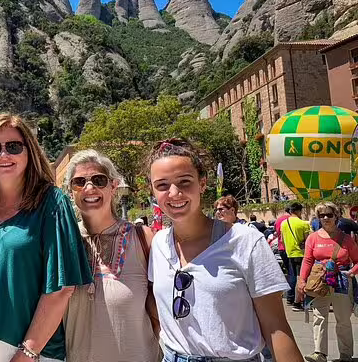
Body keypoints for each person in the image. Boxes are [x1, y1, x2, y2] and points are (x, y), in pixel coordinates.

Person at [146, 138, 302, 361]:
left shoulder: (245, 241)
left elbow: (276, 327)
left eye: (184, 181)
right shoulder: (159, 244)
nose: (174, 193)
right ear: (152, 191)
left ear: (202, 183)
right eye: (162, 185)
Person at [0, 113, 92, 362]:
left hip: (34, 353)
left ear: (29, 151)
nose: (4, 155)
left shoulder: (52, 203)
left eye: (13, 146)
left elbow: (61, 290)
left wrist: (27, 353)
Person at [62, 149, 160, 362]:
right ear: (71, 191)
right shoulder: (61, 243)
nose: (90, 188)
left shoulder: (143, 239)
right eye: (80, 182)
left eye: (99, 180)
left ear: (113, 186)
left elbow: (160, 315)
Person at [297, 202, 358, 362]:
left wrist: (351, 273)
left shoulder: (345, 239)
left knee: (343, 319)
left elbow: (357, 260)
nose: (325, 218)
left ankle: (345, 355)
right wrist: (302, 280)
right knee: (319, 316)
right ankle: (320, 353)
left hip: (341, 281)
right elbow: (307, 260)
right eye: (321, 215)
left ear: (336, 216)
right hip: (320, 281)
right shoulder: (313, 238)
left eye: (329, 215)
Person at [283, 202, 311, 311]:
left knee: (293, 276)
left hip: (289, 252)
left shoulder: (284, 223)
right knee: (301, 278)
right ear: (299, 211)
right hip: (301, 253)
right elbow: (308, 241)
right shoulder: (303, 224)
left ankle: (292, 298)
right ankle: (297, 302)